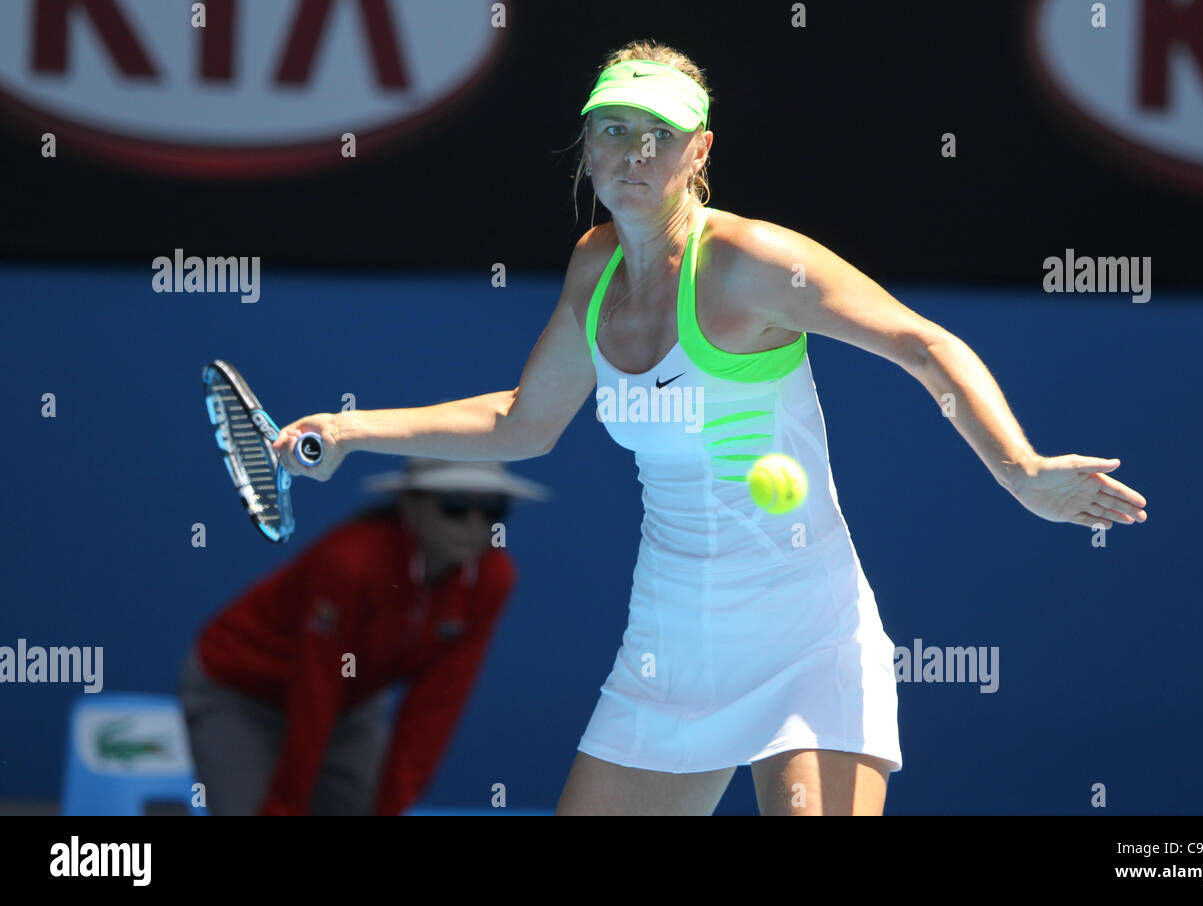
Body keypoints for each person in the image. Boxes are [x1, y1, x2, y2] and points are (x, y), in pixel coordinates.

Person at [271, 40, 1148, 816]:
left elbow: (922, 343)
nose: (632, 151)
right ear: (586, 146)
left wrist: (1019, 468)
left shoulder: (750, 263)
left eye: (657, 132)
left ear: (700, 151)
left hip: (807, 639)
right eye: (611, 129)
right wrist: (351, 433)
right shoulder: (593, 265)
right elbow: (521, 422)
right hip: (665, 651)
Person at [179, 458, 549, 815]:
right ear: (410, 505)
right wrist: (283, 809)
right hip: (238, 690)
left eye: (493, 510)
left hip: (349, 708)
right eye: (454, 506)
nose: (474, 523)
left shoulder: (494, 578)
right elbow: (316, 689)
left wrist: (389, 810)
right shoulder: (351, 563)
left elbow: (436, 707)